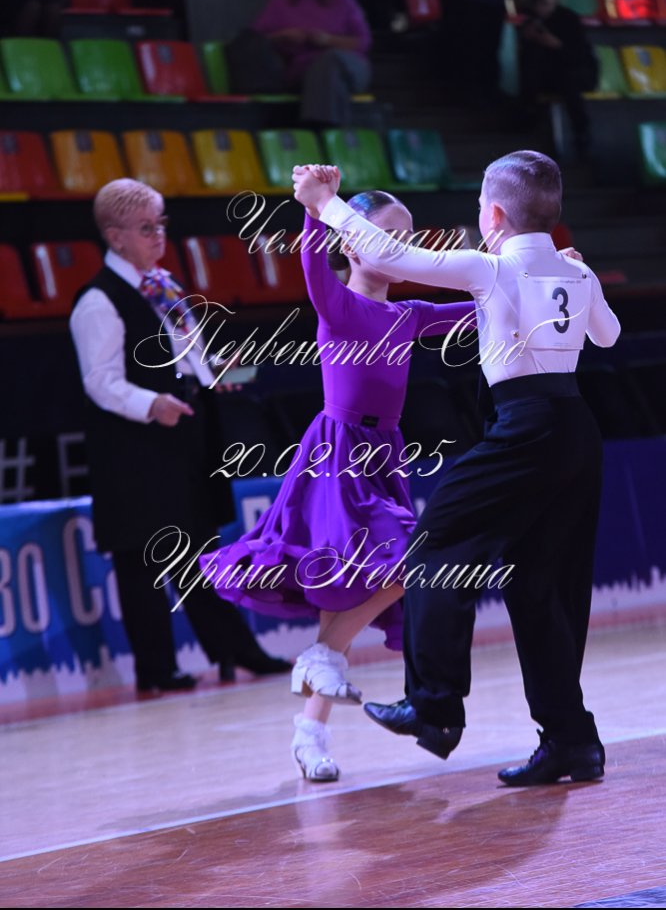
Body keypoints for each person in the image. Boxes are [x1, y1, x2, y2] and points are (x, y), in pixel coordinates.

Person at [293, 151, 621, 786]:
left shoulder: (487, 267)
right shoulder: (575, 273)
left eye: (477, 207)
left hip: (525, 427)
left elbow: (389, 256)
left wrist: (323, 204)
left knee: (434, 548)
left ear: (494, 215)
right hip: (577, 430)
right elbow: (606, 336)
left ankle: (435, 706)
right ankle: (571, 741)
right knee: (544, 588)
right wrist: (576, 280)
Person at [199, 185, 476, 781]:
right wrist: (313, 209)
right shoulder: (338, 305)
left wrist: (533, 277)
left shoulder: (407, 314)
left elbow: (478, 309)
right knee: (405, 563)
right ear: (353, 242)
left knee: (347, 592)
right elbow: (310, 262)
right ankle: (322, 659)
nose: (402, 246)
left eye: (407, 238)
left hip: (384, 457)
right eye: (389, 235)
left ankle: (310, 733)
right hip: (338, 455)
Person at [70, 178, 290, 694]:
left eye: (161, 224)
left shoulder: (163, 285)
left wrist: (214, 370)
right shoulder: (98, 300)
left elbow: (183, 354)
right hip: (135, 448)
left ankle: (234, 649)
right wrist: (151, 404)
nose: (159, 235)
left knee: (198, 547)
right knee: (141, 557)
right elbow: (100, 381)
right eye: (146, 228)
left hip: (184, 434)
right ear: (115, 236)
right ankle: (155, 668)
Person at [246, 0, 371, 126]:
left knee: (330, 62)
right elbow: (255, 40)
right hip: (303, 71)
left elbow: (363, 41)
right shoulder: (280, 2)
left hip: (347, 65)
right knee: (326, 77)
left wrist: (328, 40)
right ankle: (329, 132)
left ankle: (318, 127)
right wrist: (282, 37)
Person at [518, 0, 598, 158]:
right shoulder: (532, 21)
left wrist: (557, 45)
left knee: (567, 81)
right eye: (538, 4)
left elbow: (579, 56)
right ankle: (530, 121)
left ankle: (581, 135)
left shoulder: (569, 19)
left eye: (545, 3)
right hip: (547, 74)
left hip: (577, 73)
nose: (541, 9)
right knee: (533, 70)